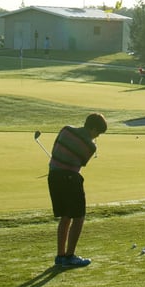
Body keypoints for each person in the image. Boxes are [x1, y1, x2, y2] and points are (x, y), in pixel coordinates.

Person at [47, 112, 108, 268]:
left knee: (66, 216)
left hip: (53, 176)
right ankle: (70, 256)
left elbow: (55, 148)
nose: (98, 136)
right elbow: (82, 161)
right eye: (98, 133)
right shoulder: (91, 145)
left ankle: (61, 256)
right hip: (70, 179)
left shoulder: (66, 129)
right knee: (78, 217)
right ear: (93, 128)